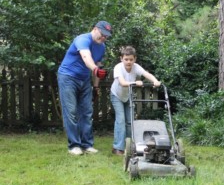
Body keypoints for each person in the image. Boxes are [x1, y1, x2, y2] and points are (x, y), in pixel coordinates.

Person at [57, 21, 112, 155]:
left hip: (84, 80)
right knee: (71, 111)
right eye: (102, 34)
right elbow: (86, 57)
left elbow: (98, 65)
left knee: (87, 112)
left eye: (106, 36)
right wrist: (94, 69)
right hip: (67, 77)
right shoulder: (82, 39)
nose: (104, 38)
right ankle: (74, 145)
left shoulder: (102, 47)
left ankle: (87, 145)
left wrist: (96, 86)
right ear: (95, 29)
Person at [110, 46, 161, 155]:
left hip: (127, 96)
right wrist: (135, 83)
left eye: (131, 59)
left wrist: (155, 81)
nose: (128, 62)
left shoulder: (136, 67)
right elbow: (123, 83)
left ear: (135, 59)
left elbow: (146, 74)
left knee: (130, 121)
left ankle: (130, 146)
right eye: (126, 59)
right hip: (116, 95)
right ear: (121, 58)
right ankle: (118, 147)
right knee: (121, 120)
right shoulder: (118, 68)